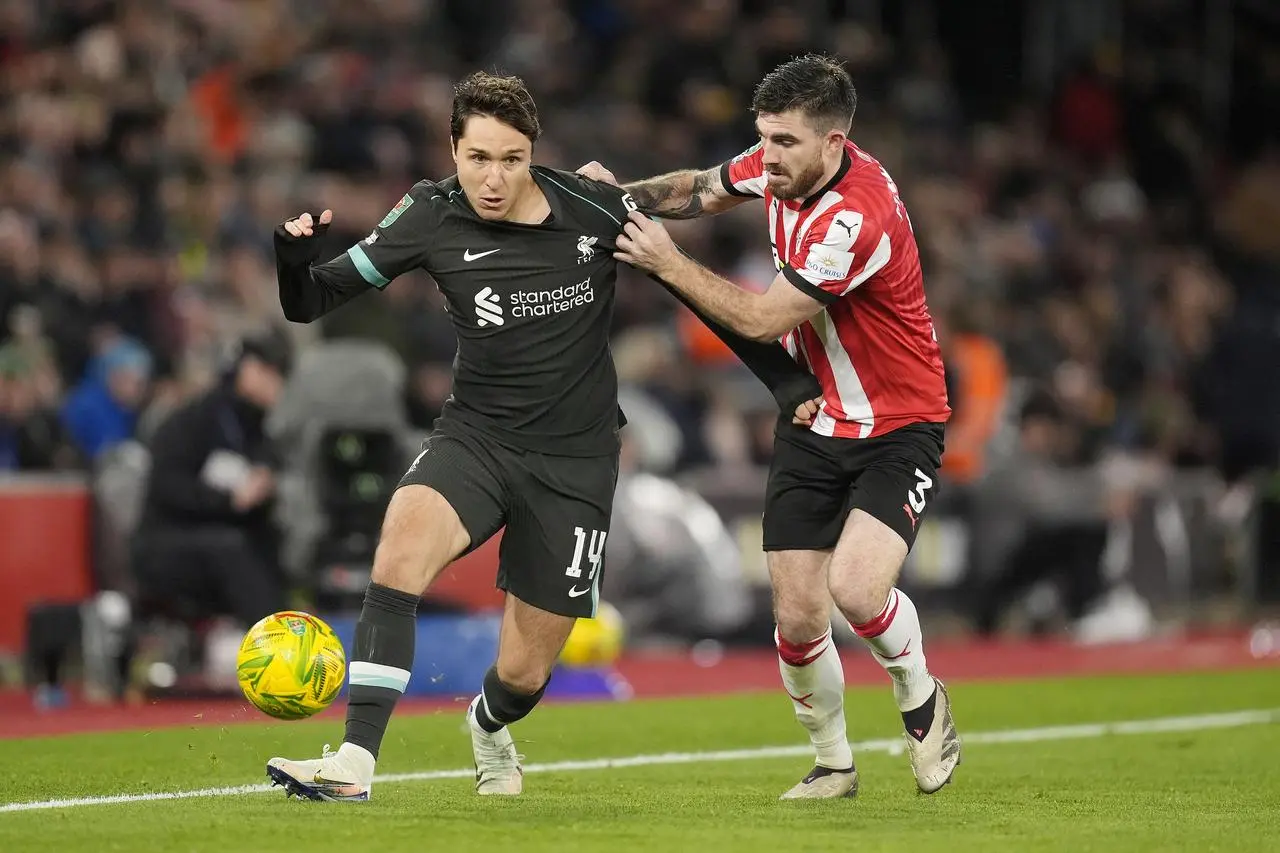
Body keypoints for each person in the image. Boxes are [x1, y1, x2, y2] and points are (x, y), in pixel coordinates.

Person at [265, 72, 817, 802]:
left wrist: (786, 383)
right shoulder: (428, 214)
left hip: (575, 462)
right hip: (477, 437)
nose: (493, 178)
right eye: (478, 158)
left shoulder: (595, 210)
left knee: (524, 674)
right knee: (400, 542)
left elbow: (695, 291)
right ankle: (354, 762)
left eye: (511, 159)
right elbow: (312, 301)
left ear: (534, 154)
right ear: (453, 150)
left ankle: (491, 723)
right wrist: (292, 258)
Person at [578, 53, 960, 798]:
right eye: (765, 137)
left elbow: (761, 315)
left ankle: (920, 696)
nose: (769, 157)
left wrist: (665, 260)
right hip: (816, 413)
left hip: (900, 421)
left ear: (834, 142)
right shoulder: (779, 164)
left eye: (786, 142)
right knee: (795, 613)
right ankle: (833, 762)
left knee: (856, 587)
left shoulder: (855, 216)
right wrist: (617, 196)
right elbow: (699, 188)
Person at [132, 330, 293, 627]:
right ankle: (274, 642)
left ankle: (297, 628)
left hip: (227, 534)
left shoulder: (258, 427)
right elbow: (167, 487)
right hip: (169, 538)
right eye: (269, 373)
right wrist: (229, 500)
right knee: (230, 550)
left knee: (276, 541)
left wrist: (263, 488)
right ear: (248, 369)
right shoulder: (195, 420)